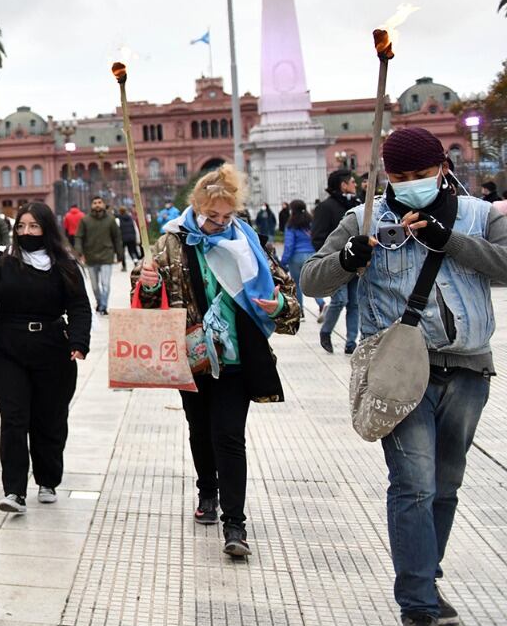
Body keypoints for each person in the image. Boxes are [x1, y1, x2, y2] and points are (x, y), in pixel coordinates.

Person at [303, 128, 507, 626]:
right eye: (400, 177)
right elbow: (311, 280)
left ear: (442, 167)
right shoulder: (364, 219)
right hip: (398, 371)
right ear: (384, 176)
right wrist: (347, 259)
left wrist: (450, 240)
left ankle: (428, 580)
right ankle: (417, 610)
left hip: (466, 367)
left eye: (421, 175)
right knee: (413, 483)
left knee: (445, 483)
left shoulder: (481, 215)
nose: (412, 185)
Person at [135, 165, 300, 560]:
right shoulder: (172, 243)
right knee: (199, 428)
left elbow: (291, 302)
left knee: (228, 434)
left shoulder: (251, 243)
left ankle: (235, 522)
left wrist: (277, 305)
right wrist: (149, 283)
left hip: (237, 357)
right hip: (190, 352)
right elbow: (143, 294)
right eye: (213, 217)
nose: (220, 225)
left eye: (227, 217)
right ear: (196, 207)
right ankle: (206, 491)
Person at [0, 202, 91, 514]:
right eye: (22, 226)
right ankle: (14, 490)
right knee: (14, 419)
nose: (26, 232)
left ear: (46, 229)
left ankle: (48, 479)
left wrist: (78, 341)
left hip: (53, 349)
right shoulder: (3, 261)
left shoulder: (64, 265)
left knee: (48, 419)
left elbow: (79, 306)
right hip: (8, 349)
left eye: (34, 226)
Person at [311, 168, 361, 353]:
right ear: (343, 185)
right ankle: (326, 332)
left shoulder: (357, 205)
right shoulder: (326, 207)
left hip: (357, 264)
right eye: (352, 181)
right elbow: (317, 237)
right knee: (340, 300)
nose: (355, 184)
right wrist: (329, 259)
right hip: (337, 264)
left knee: (355, 303)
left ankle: (351, 342)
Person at [71, 195, 124, 316]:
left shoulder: (110, 219)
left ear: (104, 204)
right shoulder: (85, 220)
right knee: (95, 286)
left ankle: (103, 306)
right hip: (91, 257)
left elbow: (117, 237)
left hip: (107, 255)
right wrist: (79, 251)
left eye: (100, 202)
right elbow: (79, 236)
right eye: (95, 202)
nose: (97, 204)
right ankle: (99, 302)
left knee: (105, 284)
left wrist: (120, 253)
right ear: (91, 205)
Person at [281, 200, 313, 298]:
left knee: (297, 285)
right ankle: (321, 304)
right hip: (312, 255)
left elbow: (289, 245)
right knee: (312, 283)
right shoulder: (311, 222)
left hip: (296, 257)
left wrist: (283, 261)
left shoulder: (290, 225)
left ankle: (300, 310)